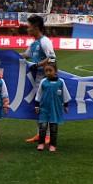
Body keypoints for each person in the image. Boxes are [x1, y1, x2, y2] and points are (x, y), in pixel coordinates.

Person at [22, 14, 57, 144]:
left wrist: (38, 65)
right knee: (38, 106)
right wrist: (10, 56)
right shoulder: (34, 44)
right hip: (37, 79)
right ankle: (40, 133)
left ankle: (47, 135)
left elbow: (52, 58)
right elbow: (25, 55)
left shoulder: (44, 41)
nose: (27, 29)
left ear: (36, 27)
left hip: (45, 79)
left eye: (29, 27)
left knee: (45, 106)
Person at [34, 63, 71, 153]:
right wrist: (37, 105)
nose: (48, 72)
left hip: (55, 108)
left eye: (50, 70)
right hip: (44, 108)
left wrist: (66, 105)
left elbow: (65, 94)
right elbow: (39, 94)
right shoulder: (43, 81)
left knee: (53, 128)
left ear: (55, 71)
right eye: (46, 71)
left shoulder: (61, 82)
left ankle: (52, 145)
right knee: (42, 127)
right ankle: (41, 143)